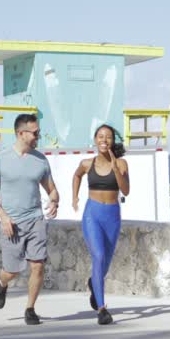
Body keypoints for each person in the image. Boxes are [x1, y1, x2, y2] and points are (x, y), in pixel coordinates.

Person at [0, 113, 59, 326]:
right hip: (12, 223)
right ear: (21, 133)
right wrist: (3, 217)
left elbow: (52, 190)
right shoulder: (2, 159)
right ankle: (2, 283)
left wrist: (54, 201)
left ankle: (30, 309)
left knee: (37, 265)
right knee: (13, 270)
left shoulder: (41, 160)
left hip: (35, 219)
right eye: (35, 133)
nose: (38, 136)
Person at [71, 124, 129, 326]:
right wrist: (74, 197)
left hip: (112, 215)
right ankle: (102, 309)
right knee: (99, 255)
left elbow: (126, 190)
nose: (104, 140)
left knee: (105, 264)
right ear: (95, 140)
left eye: (109, 137)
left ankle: (93, 284)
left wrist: (115, 168)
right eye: (101, 136)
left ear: (113, 141)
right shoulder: (87, 163)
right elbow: (77, 175)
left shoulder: (121, 164)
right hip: (92, 215)